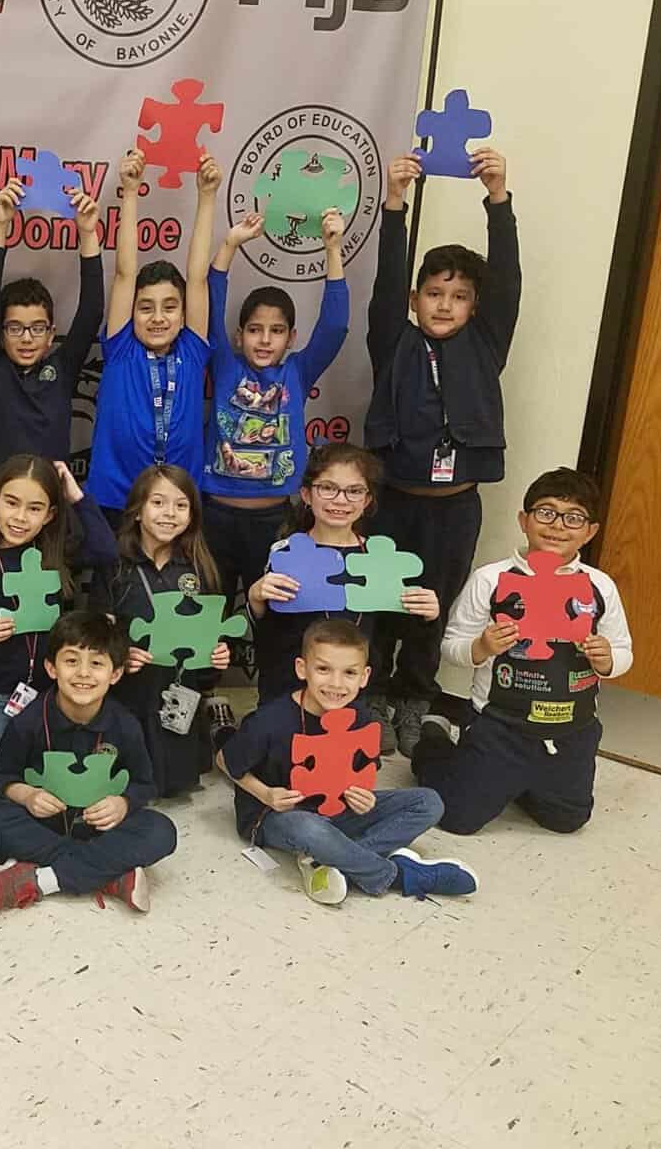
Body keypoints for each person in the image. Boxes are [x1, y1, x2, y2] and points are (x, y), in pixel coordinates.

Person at [364, 148, 518, 754]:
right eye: (433, 293)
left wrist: (498, 199)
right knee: (381, 602)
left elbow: (507, 281)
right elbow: (384, 286)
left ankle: (416, 698)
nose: (445, 305)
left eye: (458, 296)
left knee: (434, 607)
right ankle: (373, 695)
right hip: (393, 503)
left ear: (475, 307)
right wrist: (394, 206)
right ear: (415, 299)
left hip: (455, 507)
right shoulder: (393, 342)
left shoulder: (486, 343)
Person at [414, 469, 632, 835]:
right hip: (499, 727)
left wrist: (607, 659)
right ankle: (435, 743)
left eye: (574, 518)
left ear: (591, 531)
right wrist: (482, 647)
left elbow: (624, 651)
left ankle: (520, 782)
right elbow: (451, 646)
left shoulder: (600, 586)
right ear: (523, 520)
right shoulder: (490, 579)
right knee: (457, 819)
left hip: (572, 730)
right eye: (546, 512)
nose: (557, 525)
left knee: (567, 821)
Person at [221, 620, 479, 906]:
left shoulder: (361, 718)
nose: (336, 683)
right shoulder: (271, 720)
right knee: (308, 828)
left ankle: (329, 861)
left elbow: (360, 773)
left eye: (349, 673)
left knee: (429, 802)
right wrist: (266, 794)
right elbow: (224, 759)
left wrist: (365, 798)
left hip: (337, 810)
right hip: (277, 815)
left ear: (364, 676)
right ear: (302, 669)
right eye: (323, 669)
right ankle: (396, 876)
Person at [0, 611, 177, 912]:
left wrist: (122, 804)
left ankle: (42, 879)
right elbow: (0, 777)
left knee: (161, 831)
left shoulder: (125, 724)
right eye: (71, 661)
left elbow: (145, 784)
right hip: (42, 825)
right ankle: (110, 874)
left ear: (116, 674)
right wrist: (28, 796)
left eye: (96, 663)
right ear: (51, 668)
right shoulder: (28, 721)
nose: (83, 673)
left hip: (100, 825)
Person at [0, 455, 119, 808]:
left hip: (46, 694)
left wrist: (76, 495)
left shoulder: (58, 556)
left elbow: (106, 550)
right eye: (11, 503)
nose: (20, 517)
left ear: (50, 515)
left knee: (44, 787)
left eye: (35, 508)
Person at [245, 444, 438, 753]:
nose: (340, 500)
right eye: (328, 488)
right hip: (289, 688)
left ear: (367, 500)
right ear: (307, 494)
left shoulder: (380, 557)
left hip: (350, 693)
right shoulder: (285, 552)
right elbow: (269, 640)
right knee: (276, 762)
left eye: (354, 491)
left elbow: (393, 633)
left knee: (347, 771)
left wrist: (427, 616)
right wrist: (256, 600)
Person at [202, 204, 349, 607]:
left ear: (291, 337)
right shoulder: (224, 364)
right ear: (239, 336)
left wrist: (332, 249)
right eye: (255, 330)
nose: (265, 340)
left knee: (273, 611)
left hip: (274, 519)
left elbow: (335, 326)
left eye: (276, 331)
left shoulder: (298, 372)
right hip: (215, 515)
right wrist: (230, 244)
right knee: (209, 612)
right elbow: (209, 304)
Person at [83, 148, 216, 519]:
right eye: (145, 307)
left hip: (178, 500)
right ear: (131, 313)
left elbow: (198, 278)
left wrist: (207, 196)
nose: (158, 318)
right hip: (116, 498)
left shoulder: (191, 350)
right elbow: (125, 273)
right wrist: (130, 191)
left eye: (169, 307)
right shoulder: (121, 347)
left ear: (184, 314)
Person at [0, 179, 104, 534]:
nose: (27, 338)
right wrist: (0, 225)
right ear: (0, 334)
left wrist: (87, 233)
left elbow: (92, 310)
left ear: (51, 333)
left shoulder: (61, 369)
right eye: (15, 328)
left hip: (49, 509)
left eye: (37, 328)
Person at [97, 465, 232, 797]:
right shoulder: (113, 564)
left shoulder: (202, 568)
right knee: (126, 783)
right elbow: (97, 632)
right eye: (158, 502)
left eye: (181, 505)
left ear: (192, 515)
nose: (170, 513)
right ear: (137, 511)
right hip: (127, 694)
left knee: (173, 787)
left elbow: (211, 638)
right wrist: (120, 656)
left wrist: (217, 654)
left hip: (179, 692)